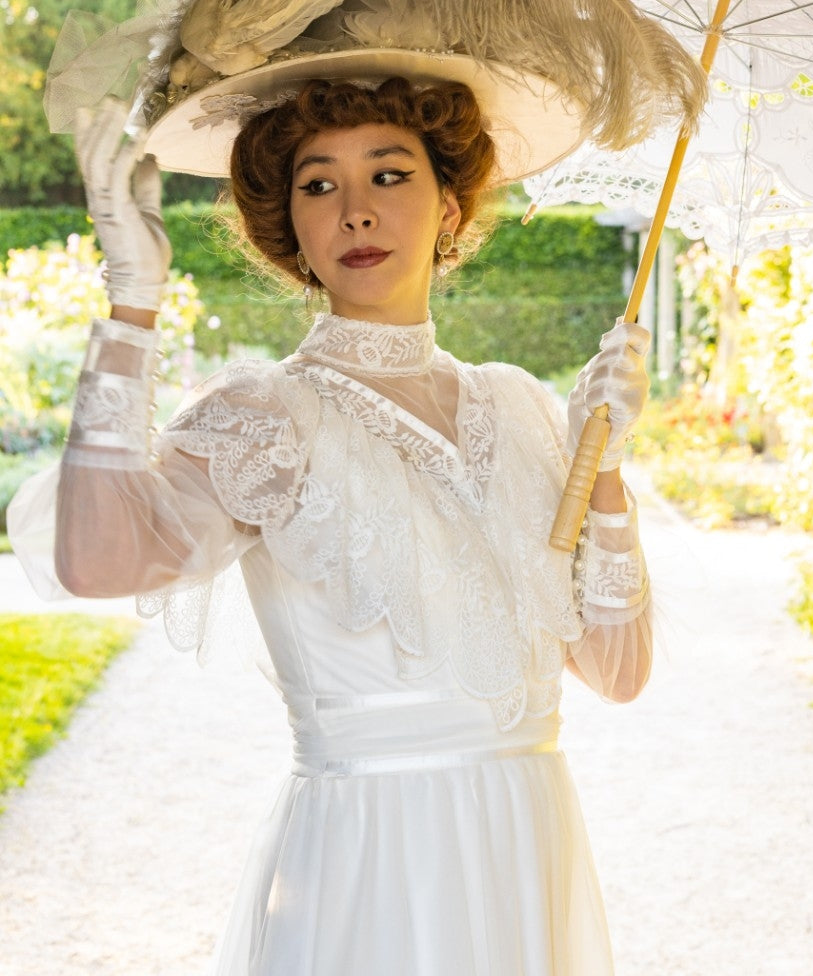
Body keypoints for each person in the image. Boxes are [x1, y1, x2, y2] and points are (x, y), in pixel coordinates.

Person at [12, 71, 654, 976]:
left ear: (450, 206)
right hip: (369, 864)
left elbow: (615, 672)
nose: (355, 211)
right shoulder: (266, 415)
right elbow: (94, 560)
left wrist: (608, 472)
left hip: (530, 844)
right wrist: (132, 303)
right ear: (292, 232)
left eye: (388, 175)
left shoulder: (519, 407)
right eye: (319, 184)